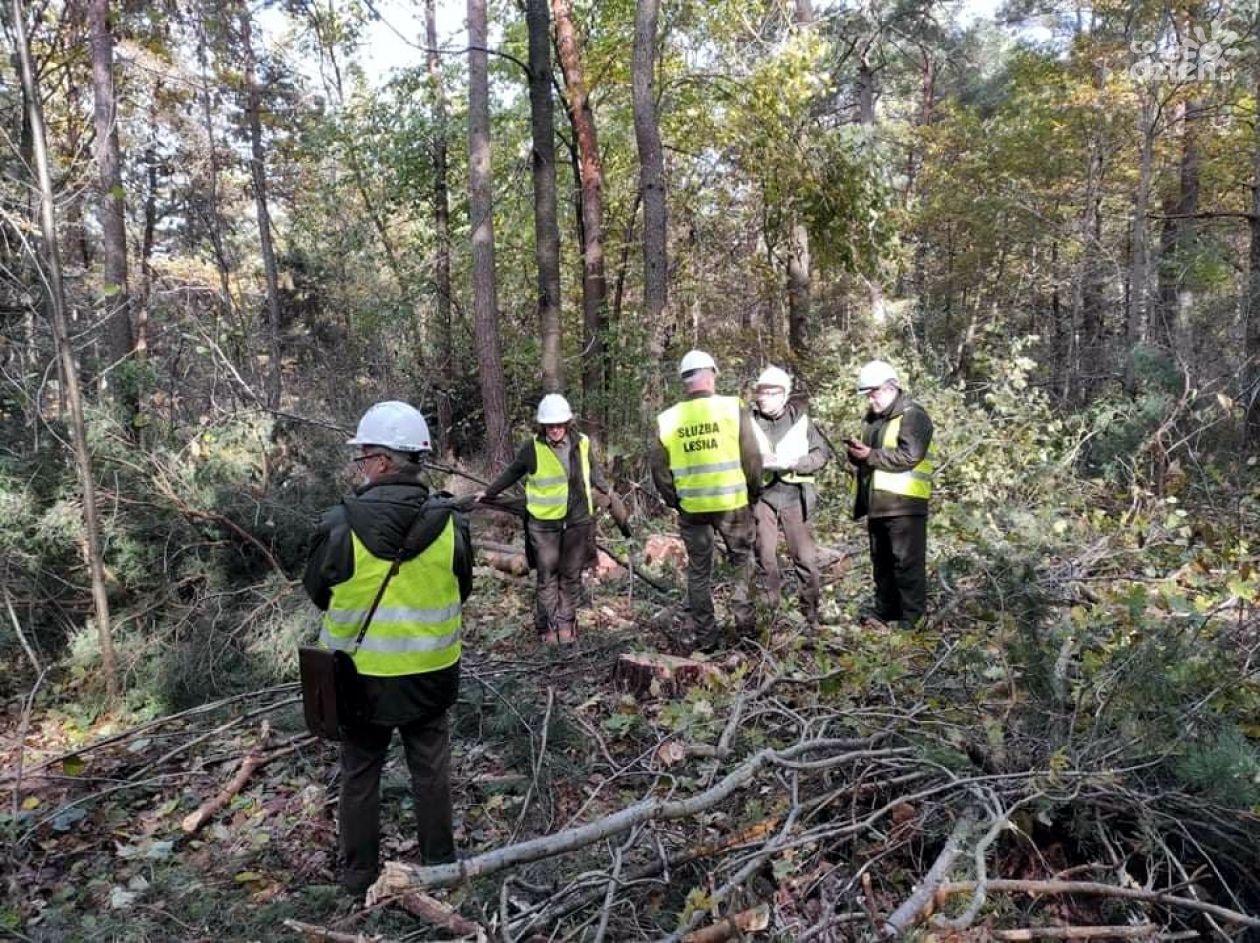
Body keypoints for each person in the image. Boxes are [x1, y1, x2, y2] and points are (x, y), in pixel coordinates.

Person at [302, 401, 472, 896]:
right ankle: (439, 866)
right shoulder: (451, 521)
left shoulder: (338, 522)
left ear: (380, 461)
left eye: (362, 457)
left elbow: (318, 592)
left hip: (358, 679)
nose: (359, 467)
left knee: (359, 774)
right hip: (431, 674)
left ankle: (358, 876)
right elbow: (462, 588)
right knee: (432, 773)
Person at [479, 393, 629, 644]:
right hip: (543, 523)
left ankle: (566, 624)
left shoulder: (581, 442)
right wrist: (488, 493)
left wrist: (608, 493)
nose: (555, 429)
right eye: (550, 425)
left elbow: (594, 472)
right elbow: (512, 472)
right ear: (543, 426)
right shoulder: (532, 448)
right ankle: (547, 627)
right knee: (547, 576)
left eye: (559, 424)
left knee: (571, 575)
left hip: (577, 521)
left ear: (567, 423)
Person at [651, 350, 762, 652]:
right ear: (711, 374)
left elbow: (659, 471)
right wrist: (754, 493)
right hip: (732, 504)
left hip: (693, 509)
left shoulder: (669, 418)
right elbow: (752, 458)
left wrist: (677, 500)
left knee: (700, 572)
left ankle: (707, 638)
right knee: (742, 562)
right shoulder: (731, 408)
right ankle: (746, 631)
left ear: (684, 381)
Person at [845, 361, 934, 628]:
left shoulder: (913, 415)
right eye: (867, 394)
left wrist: (870, 455)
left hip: (905, 506)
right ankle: (885, 613)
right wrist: (857, 454)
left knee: (907, 566)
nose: (871, 399)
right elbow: (872, 458)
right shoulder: (873, 419)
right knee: (881, 566)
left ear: (892, 387)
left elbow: (910, 455)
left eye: (874, 393)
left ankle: (912, 622)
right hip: (878, 505)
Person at [749, 365, 830, 627]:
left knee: (805, 558)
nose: (765, 397)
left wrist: (795, 462)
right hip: (761, 496)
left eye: (772, 392)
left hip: (795, 496)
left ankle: (811, 615)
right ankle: (769, 616)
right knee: (765, 556)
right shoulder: (747, 420)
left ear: (784, 395)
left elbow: (821, 455)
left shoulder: (802, 421)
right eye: (762, 392)